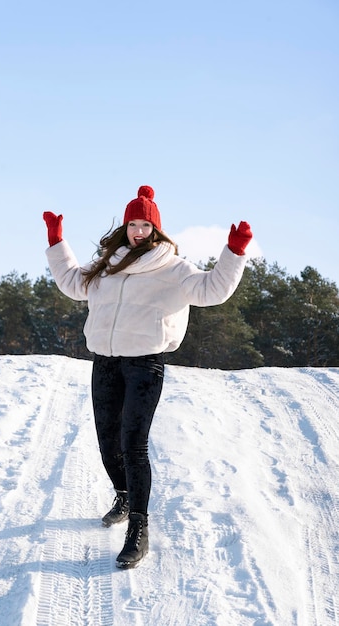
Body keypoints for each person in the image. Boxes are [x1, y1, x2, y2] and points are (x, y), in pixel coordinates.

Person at [43, 185, 252, 569]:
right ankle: (123, 495)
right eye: (133, 224)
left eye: (145, 224)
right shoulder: (108, 264)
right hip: (104, 362)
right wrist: (57, 242)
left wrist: (234, 252)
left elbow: (212, 290)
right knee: (108, 442)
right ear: (125, 227)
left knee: (133, 443)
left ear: (156, 229)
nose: (138, 230)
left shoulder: (171, 267)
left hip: (143, 364)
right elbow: (73, 283)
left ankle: (138, 528)